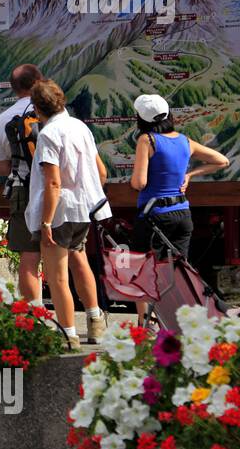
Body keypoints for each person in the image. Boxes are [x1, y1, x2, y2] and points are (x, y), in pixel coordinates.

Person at [128, 93, 229, 321]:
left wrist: (134, 181)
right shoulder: (185, 141)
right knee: (177, 273)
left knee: (143, 271)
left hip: (154, 216)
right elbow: (222, 160)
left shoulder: (147, 140)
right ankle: (178, 321)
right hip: (183, 215)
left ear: (141, 119)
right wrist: (190, 174)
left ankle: (147, 325)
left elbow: (139, 183)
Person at [25, 80, 111, 349]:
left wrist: (47, 221)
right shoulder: (80, 127)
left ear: (38, 107)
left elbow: (53, 183)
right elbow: (102, 172)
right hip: (84, 208)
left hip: (60, 210)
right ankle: (96, 321)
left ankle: (69, 334)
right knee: (80, 260)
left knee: (58, 275)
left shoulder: (49, 134)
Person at [0, 63, 43, 303]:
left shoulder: (4, 118)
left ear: (13, 88)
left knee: (29, 256)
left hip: (23, 189)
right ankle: (91, 319)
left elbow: (1, 168)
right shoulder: (52, 112)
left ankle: (35, 317)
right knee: (67, 256)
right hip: (57, 189)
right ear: (39, 82)